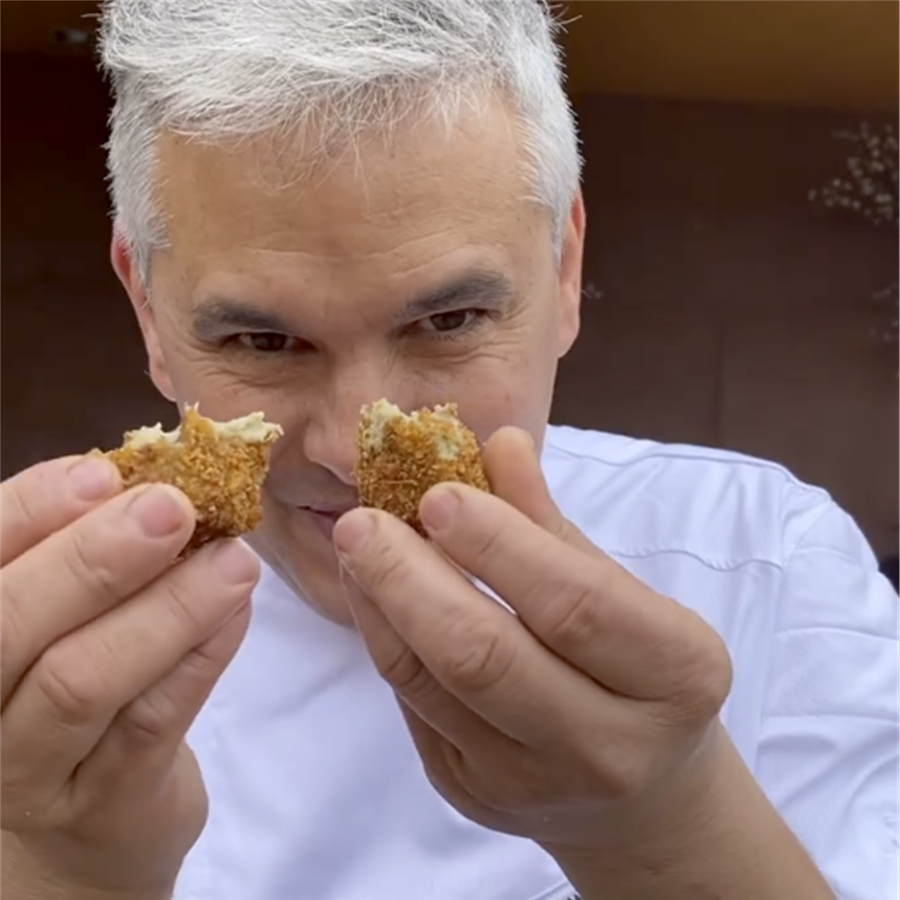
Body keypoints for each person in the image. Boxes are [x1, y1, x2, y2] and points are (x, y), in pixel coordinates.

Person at [0, 2, 896, 898]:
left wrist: (673, 829)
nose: (352, 452)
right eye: (263, 342)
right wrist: (60, 873)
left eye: (450, 321)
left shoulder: (767, 561)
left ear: (564, 270)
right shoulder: (34, 635)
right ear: (148, 313)